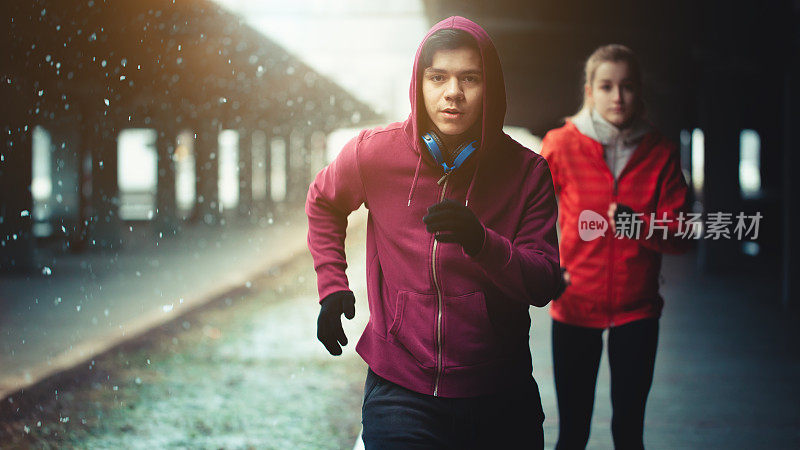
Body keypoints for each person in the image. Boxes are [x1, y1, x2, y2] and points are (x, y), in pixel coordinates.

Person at [306, 16, 560, 449]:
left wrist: (483, 243)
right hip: (400, 387)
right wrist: (332, 284)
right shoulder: (374, 154)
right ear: (419, 85)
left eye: (470, 79)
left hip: (499, 390)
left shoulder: (529, 174)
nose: (453, 93)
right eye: (437, 77)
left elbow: (543, 282)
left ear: (490, 88)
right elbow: (324, 202)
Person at [540, 44, 691, 449]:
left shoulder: (661, 152)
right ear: (590, 90)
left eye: (627, 86)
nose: (618, 97)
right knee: (572, 433)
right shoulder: (560, 144)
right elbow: (528, 216)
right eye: (607, 86)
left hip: (637, 310)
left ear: (639, 92)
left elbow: (683, 234)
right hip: (573, 305)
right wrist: (549, 269)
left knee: (629, 432)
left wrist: (638, 225)